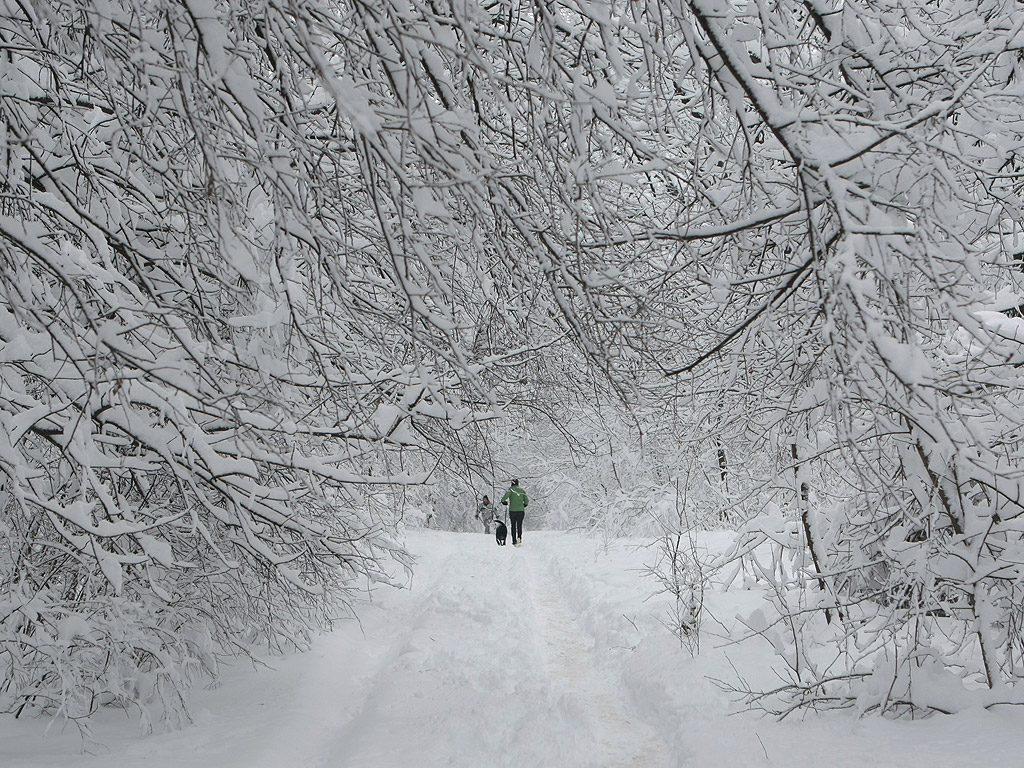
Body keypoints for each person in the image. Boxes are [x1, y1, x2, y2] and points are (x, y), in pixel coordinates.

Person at [500, 479, 528, 547]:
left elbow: (503, 499)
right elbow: (526, 501)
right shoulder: (522, 491)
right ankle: (519, 537)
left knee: (513, 525)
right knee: (519, 525)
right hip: (521, 511)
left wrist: (504, 502)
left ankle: (514, 541)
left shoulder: (510, 490)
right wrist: (524, 505)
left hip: (512, 510)